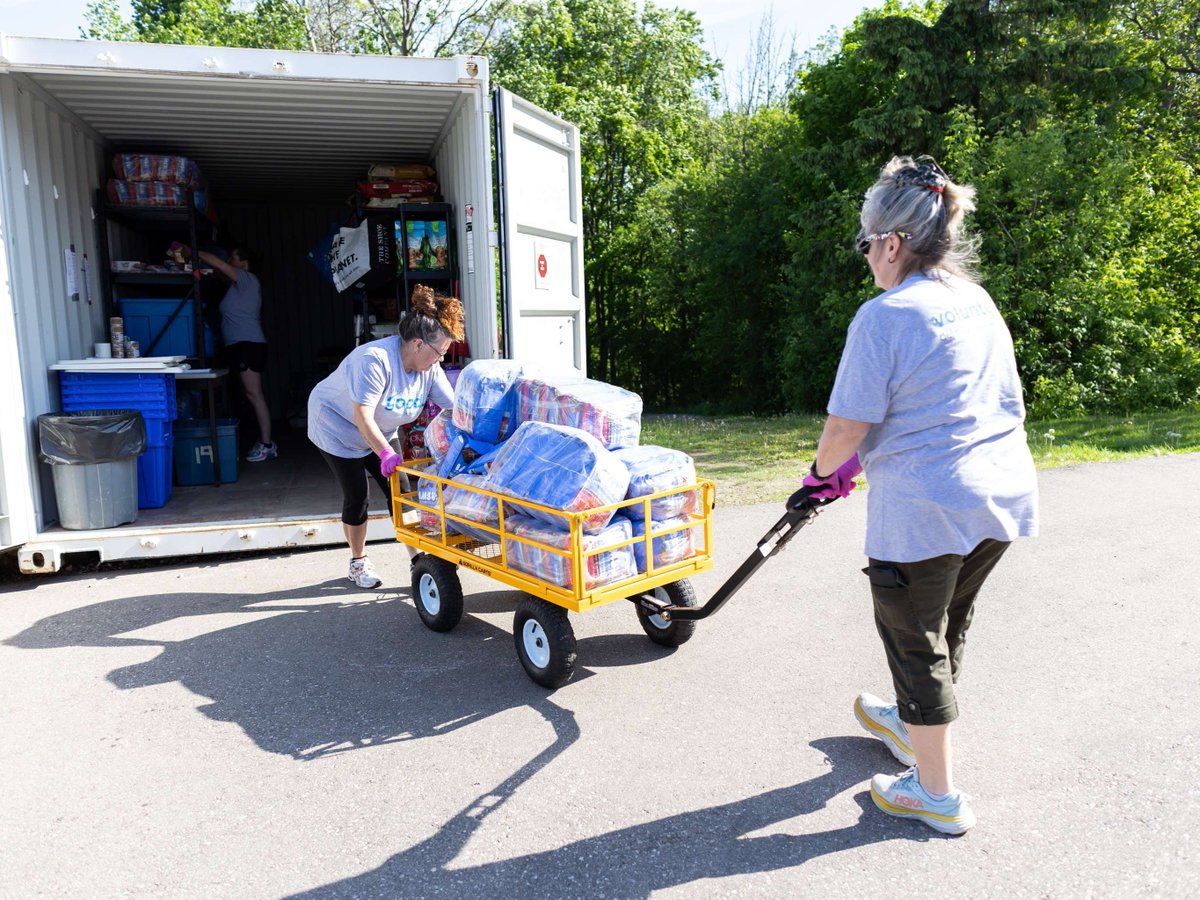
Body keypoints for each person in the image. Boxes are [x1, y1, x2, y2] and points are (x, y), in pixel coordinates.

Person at [793, 155, 1038, 835]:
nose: (867, 257)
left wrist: (821, 476)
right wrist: (852, 463)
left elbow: (847, 425)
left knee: (912, 637)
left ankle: (935, 793)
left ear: (893, 243)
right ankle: (910, 724)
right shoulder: (975, 301)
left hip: (928, 509)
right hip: (1001, 498)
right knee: (942, 625)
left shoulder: (885, 315)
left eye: (867, 243)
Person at [308, 285, 464, 589]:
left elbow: (455, 407)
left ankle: (419, 560)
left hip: (381, 430)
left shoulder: (428, 370)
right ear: (418, 344)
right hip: (337, 425)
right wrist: (386, 453)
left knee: (401, 493)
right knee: (358, 495)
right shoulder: (375, 360)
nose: (441, 360)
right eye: (440, 353)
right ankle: (358, 562)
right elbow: (362, 416)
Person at [197, 247, 276, 462]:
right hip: (240, 345)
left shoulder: (248, 279)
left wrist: (193, 251)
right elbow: (219, 271)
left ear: (244, 263)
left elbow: (220, 265)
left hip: (248, 345)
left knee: (254, 395)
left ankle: (267, 444)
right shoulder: (237, 286)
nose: (229, 260)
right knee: (246, 395)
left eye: (233, 257)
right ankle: (263, 441)